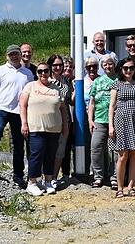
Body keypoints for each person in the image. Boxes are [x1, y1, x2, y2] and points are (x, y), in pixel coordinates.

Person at [0, 44, 34, 188]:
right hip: (2, 108)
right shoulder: (0, 70)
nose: (14, 56)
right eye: (11, 54)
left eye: (16, 54)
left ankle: (18, 175)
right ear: (7, 56)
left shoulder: (28, 74)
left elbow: (31, 94)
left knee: (18, 143)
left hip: (18, 112)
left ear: (20, 55)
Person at [19, 60, 70, 196]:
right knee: (36, 154)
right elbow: (22, 106)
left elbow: (63, 109)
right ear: (37, 73)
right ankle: (32, 183)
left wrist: (65, 126)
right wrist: (24, 123)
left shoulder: (56, 88)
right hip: (35, 127)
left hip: (53, 128)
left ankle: (48, 180)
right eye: (40, 71)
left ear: (49, 72)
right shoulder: (30, 86)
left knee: (50, 155)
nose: (43, 73)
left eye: (45, 71)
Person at [109, 57, 135, 198]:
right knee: (122, 156)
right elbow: (112, 106)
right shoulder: (116, 84)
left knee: (134, 155)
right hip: (121, 120)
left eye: (131, 68)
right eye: (125, 68)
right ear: (121, 69)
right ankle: (120, 187)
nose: (128, 71)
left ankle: (131, 186)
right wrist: (111, 126)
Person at [88, 55, 118, 188]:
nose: (107, 66)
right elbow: (92, 102)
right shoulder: (97, 81)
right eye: (105, 64)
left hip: (116, 120)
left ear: (114, 64)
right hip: (99, 120)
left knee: (115, 151)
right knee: (96, 148)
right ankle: (98, 176)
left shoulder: (119, 79)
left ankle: (115, 177)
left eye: (110, 63)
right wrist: (90, 119)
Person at [49, 55, 74, 184]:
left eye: (60, 65)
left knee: (61, 149)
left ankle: (54, 177)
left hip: (65, 119)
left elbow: (70, 100)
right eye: (55, 65)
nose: (58, 67)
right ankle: (46, 176)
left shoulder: (66, 81)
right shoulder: (45, 80)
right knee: (49, 149)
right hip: (50, 119)